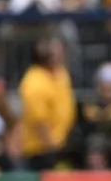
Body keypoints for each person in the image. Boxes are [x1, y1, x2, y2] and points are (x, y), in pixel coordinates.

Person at [19, 36, 76, 170]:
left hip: (63, 145)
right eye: (59, 52)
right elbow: (39, 122)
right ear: (47, 57)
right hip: (42, 151)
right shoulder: (34, 82)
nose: (63, 55)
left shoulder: (61, 73)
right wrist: (52, 148)